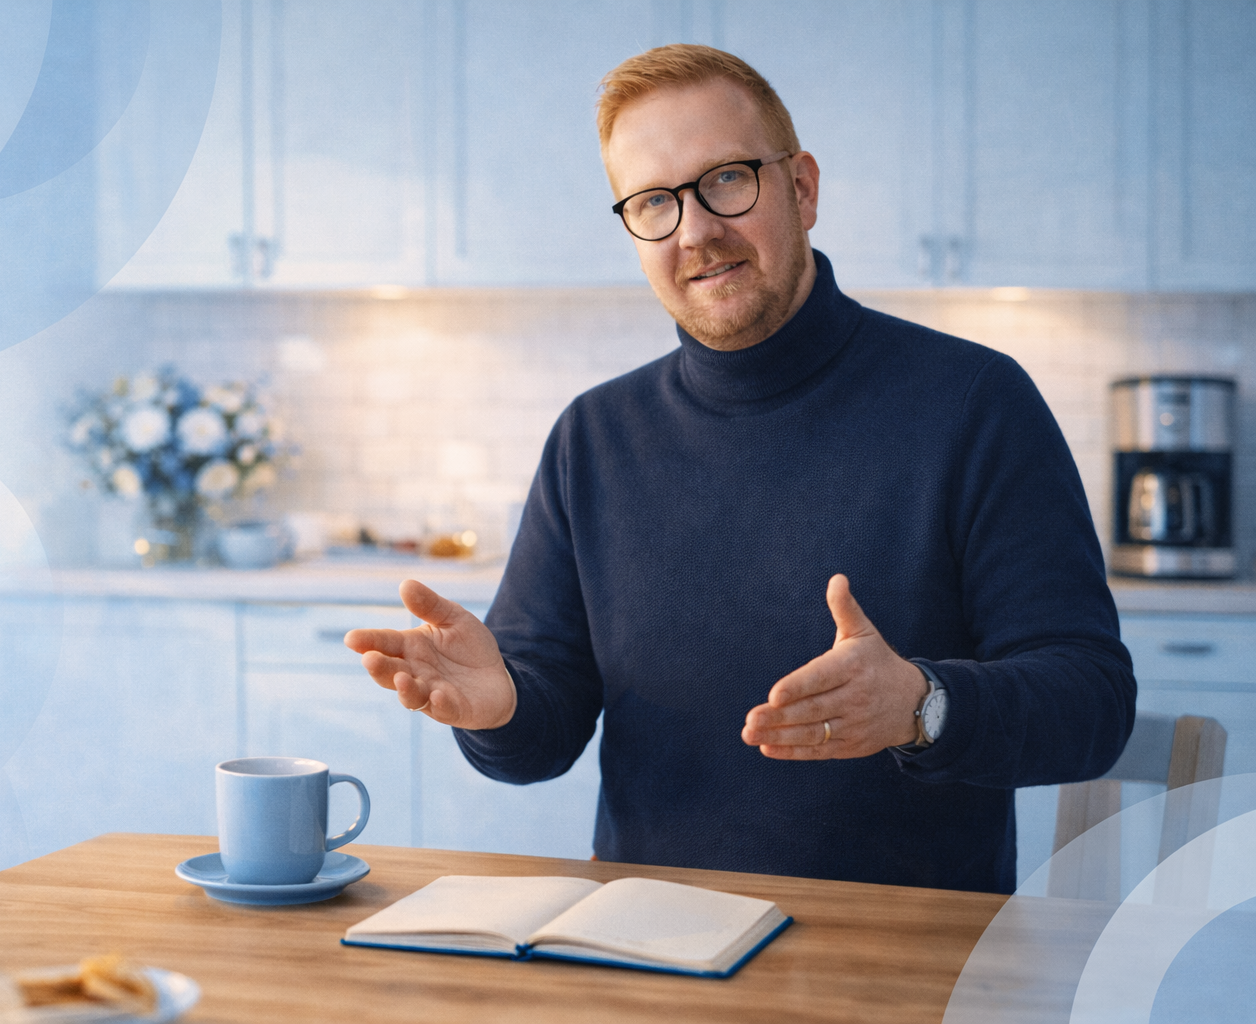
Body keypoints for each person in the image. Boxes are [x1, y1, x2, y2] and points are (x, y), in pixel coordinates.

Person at [345, 44, 1134, 894]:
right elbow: (543, 733)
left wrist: (920, 703)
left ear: (803, 189)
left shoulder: (974, 402)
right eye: (654, 201)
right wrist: (501, 706)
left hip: (901, 943)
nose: (695, 231)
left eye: (726, 179)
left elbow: (1092, 704)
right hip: (650, 936)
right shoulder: (594, 437)